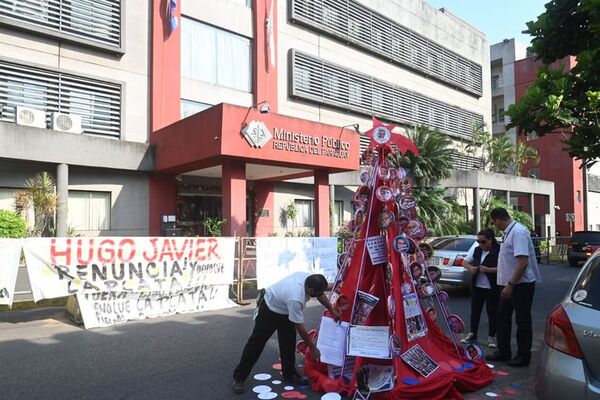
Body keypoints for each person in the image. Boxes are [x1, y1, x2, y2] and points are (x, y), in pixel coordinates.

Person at [232, 272, 339, 394]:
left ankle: (289, 374)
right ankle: (239, 378)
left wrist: (331, 309)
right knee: (256, 343)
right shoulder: (295, 298)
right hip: (270, 308)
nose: (320, 295)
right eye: (317, 292)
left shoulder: (310, 279)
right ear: (310, 289)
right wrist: (312, 347)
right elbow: (300, 326)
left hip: (285, 309)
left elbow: (320, 295)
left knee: (288, 342)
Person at [486, 208, 541, 367]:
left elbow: (522, 262)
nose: (495, 226)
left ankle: (523, 355)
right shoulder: (509, 232)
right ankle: (504, 351)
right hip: (508, 284)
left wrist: (510, 284)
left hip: (520, 284)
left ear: (497, 220)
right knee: (502, 318)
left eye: (494, 222)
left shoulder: (518, 232)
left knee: (522, 320)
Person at [461, 228, 501, 348]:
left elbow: (504, 268)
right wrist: (471, 268)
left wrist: (489, 270)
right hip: (477, 285)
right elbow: (464, 262)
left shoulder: (498, 250)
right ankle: (472, 334)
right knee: (475, 311)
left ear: (490, 240)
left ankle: (492, 336)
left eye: (483, 241)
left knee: (492, 312)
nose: (480, 244)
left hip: (492, 286)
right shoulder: (477, 250)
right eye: (478, 241)